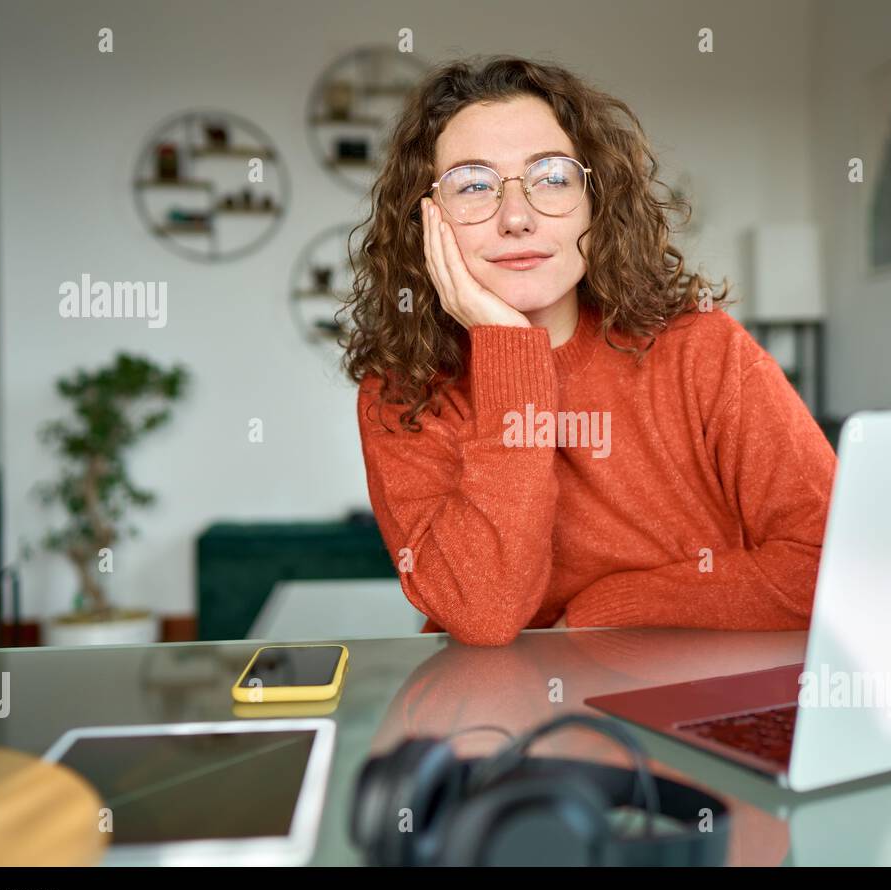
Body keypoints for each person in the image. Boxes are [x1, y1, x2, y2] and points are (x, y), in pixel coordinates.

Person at [342, 55, 836, 646]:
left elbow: (832, 566)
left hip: (694, 696)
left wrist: (610, 609)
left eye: (551, 177)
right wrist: (508, 350)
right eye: (474, 185)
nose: (517, 217)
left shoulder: (702, 349)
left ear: (595, 202)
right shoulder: (403, 393)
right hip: (501, 712)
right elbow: (483, 612)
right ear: (426, 221)